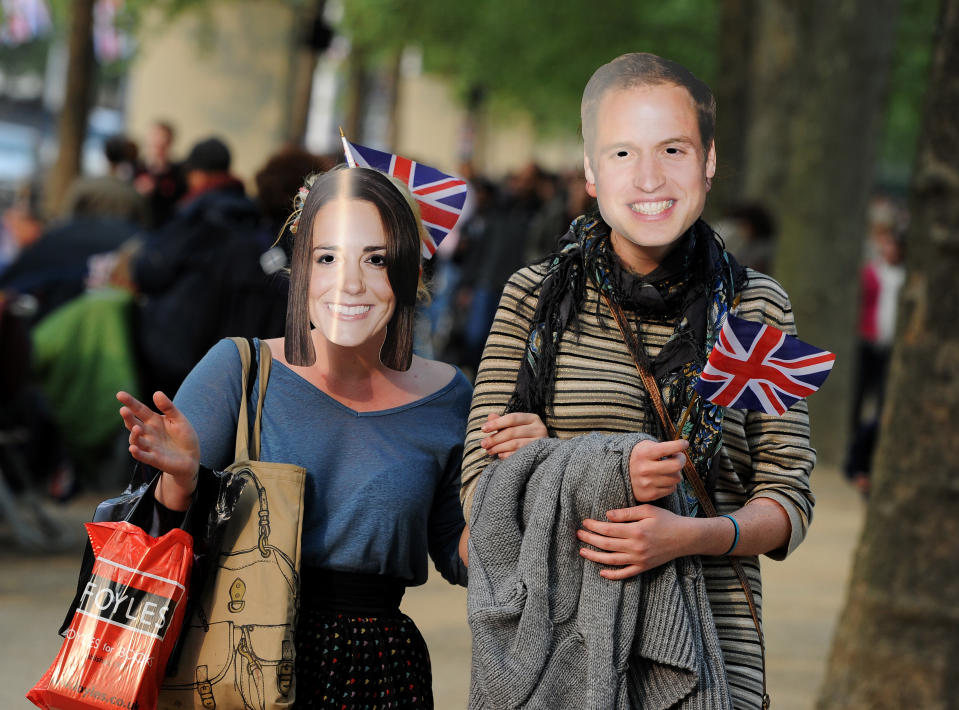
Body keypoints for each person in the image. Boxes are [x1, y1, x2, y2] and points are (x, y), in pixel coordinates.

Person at [461, 52, 815, 709]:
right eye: (621, 154)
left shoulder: (756, 307)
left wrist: (688, 537)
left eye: (672, 149)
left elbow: (788, 500)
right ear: (591, 172)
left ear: (707, 160)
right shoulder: (531, 299)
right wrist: (568, 465)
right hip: (565, 656)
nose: (648, 177)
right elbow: (476, 508)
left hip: (713, 654)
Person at [117, 164, 471, 709]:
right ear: (300, 266)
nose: (348, 283)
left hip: (381, 674)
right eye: (326, 257)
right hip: (234, 658)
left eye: (375, 259)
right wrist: (180, 482)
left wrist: (521, 478)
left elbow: (461, 553)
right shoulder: (239, 369)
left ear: (413, 271)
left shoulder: (449, 394)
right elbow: (142, 542)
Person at [132, 136, 287, 398]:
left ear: (197, 175)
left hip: (180, 353)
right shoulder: (253, 217)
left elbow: (150, 270)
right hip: (229, 360)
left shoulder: (196, 215)